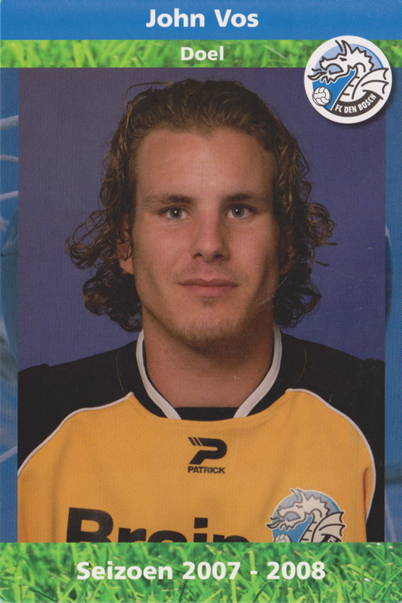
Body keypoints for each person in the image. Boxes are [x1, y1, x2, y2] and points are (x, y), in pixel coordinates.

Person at [18, 79, 384, 543]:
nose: (209, 244)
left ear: (287, 242)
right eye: (174, 211)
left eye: (240, 210)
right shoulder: (30, 423)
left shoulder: (376, 416)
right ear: (125, 242)